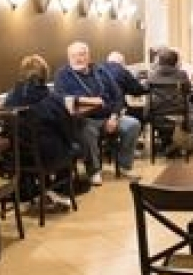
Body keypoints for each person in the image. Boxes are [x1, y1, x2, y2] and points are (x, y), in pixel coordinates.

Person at [53, 41, 141, 184]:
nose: (78, 59)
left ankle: (124, 165)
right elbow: (60, 98)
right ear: (69, 58)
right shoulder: (63, 75)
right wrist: (86, 100)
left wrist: (114, 117)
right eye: (74, 56)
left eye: (81, 54)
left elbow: (118, 95)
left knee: (133, 124)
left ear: (88, 56)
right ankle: (94, 171)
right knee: (87, 130)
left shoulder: (100, 71)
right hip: (83, 120)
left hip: (108, 116)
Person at [3, 54, 77, 207]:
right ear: (44, 75)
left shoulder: (10, 98)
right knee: (72, 147)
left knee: (49, 142)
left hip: (15, 156)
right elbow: (66, 128)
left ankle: (36, 191)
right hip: (45, 157)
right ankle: (59, 191)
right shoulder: (51, 99)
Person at [147, 47, 193, 155]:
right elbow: (188, 91)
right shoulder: (182, 74)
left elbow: (146, 90)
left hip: (156, 116)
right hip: (179, 115)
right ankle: (179, 144)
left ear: (159, 61)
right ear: (175, 62)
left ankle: (169, 145)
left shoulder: (152, 75)